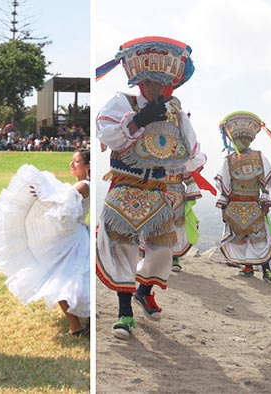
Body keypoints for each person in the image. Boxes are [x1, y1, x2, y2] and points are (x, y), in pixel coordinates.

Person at [94, 37, 208, 340]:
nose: (154, 88)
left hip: (158, 190)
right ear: (138, 81)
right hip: (125, 187)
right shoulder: (123, 103)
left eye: (160, 84)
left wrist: (179, 159)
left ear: (169, 86)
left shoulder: (176, 114)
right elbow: (108, 133)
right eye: (148, 82)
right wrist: (139, 120)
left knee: (161, 249)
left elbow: (192, 151)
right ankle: (124, 314)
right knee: (122, 247)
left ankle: (143, 291)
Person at [0, 149, 91, 337]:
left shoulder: (85, 186)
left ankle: (78, 324)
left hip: (72, 237)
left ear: (87, 167)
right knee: (59, 276)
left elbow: (64, 203)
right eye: (72, 161)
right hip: (68, 235)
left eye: (76, 161)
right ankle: (76, 324)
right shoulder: (78, 186)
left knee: (60, 276)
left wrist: (44, 194)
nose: (71, 164)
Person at [215, 111, 271, 283]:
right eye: (239, 139)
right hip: (235, 205)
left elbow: (265, 182)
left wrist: (265, 200)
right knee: (240, 238)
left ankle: (266, 270)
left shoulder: (259, 157)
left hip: (254, 205)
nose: (243, 141)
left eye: (245, 139)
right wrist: (223, 206)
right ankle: (248, 267)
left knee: (260, 238)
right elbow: (224, 185)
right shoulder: (228, 160)